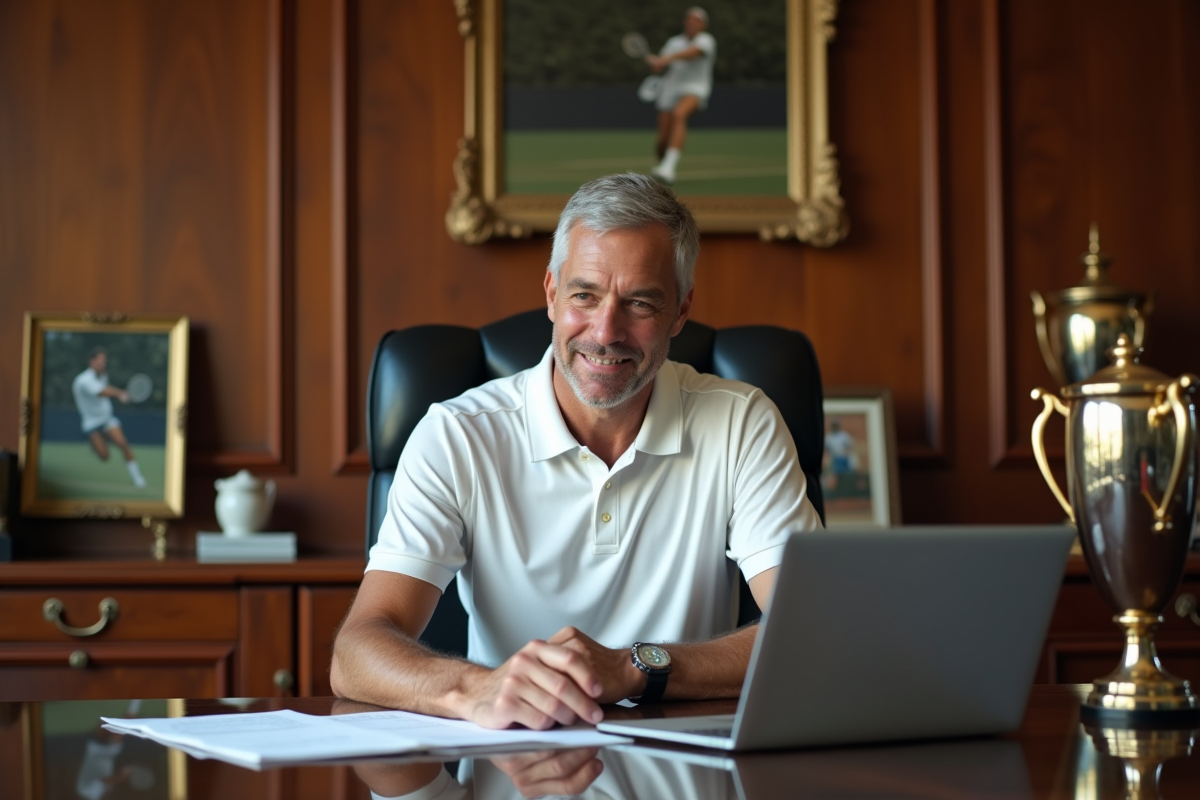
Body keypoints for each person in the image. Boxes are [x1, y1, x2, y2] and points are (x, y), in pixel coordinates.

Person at [331, 173, 820, 730]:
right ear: (551, 294)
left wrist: (635, 668)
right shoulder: (457, 434)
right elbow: (357, 651)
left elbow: (807, 630)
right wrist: (475, 689)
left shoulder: (741, 422)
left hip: (689, 764)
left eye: (639, 303)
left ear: (680, 312)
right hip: (512, 757)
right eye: (584, 295)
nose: (605, 331)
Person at [646, 7, 716, 184]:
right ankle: (662, 167)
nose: (691, 22)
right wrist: (657, 63)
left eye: (696, 20)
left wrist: (666, 58)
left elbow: (693, 53)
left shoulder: (706, 40)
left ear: (703, 25)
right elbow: (660, 66)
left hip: (695, 89)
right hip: (669, 89)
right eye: (689, 19)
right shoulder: (673, 42)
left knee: (680, 113)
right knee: (662, 141)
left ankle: (669, 168)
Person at [72, 348, 146, 488]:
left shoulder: (103, 376)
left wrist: (119, 394)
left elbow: (105, 387)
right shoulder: (83, 380)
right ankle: (94, 444)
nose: (102, 363)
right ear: (91, 362)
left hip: (106, 419)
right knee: (105, 457)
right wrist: (121, 393)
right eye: (99, 360)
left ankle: (138, 478)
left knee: (123, 444)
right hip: (91, 423)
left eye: (104, 361)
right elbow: (101, 392)